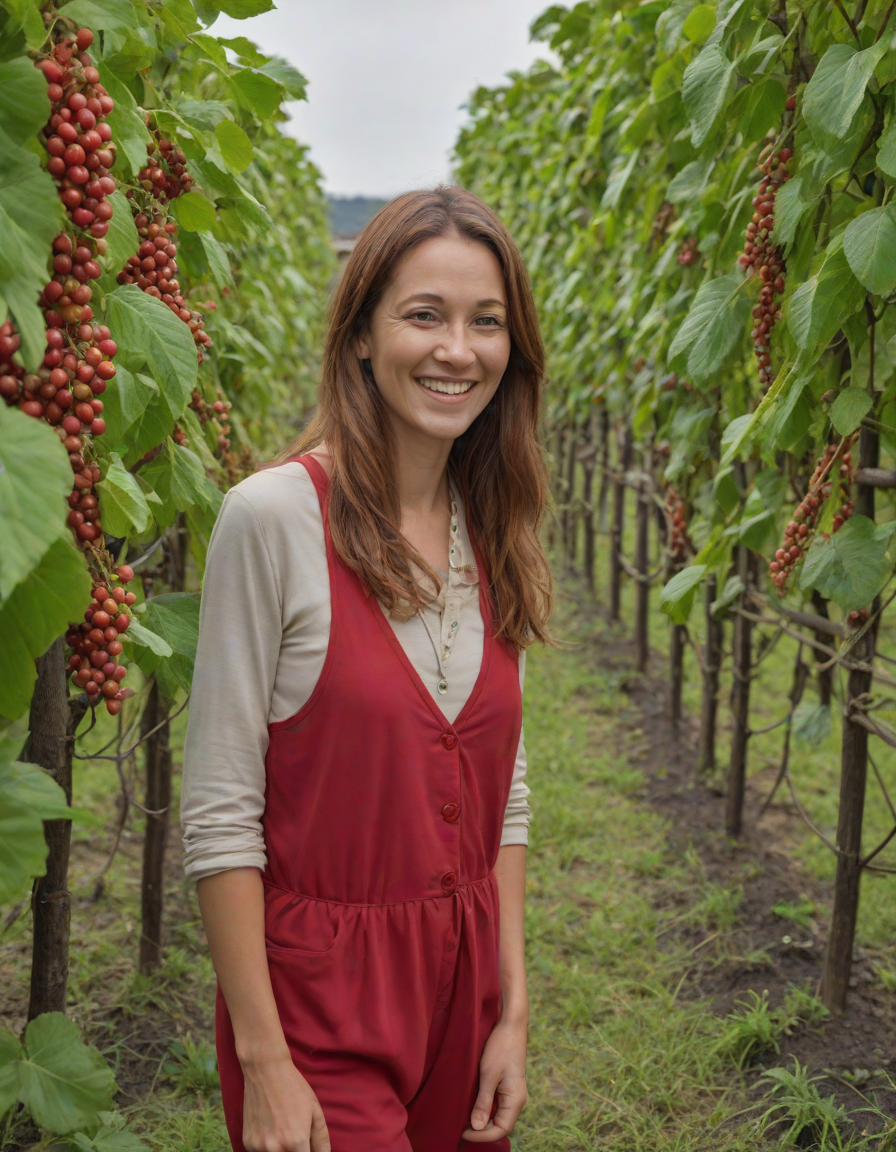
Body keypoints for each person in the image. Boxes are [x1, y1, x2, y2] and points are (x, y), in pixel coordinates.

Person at [181, 185, 552, 1152]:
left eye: (487, 322)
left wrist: (511, 1010)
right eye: (424, 315)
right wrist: (266, 1061)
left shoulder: (493, 526)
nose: (457, 349)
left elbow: (505, 792)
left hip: (467, 998)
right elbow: (220, 814)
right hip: (320, 1006)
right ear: (359, 336)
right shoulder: (271, 519)